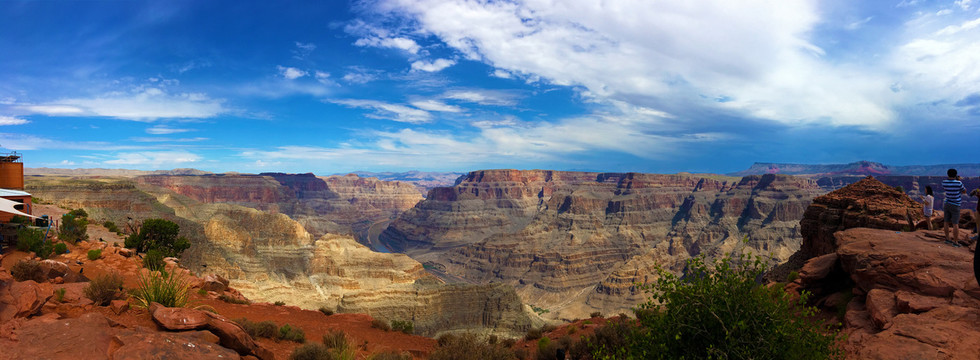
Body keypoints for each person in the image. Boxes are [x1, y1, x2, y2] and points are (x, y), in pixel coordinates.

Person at [942, 169, 967, 243]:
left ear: (948, 174)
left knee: (946, 222)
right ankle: (956, 242)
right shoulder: (959, 183)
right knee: (955, 223)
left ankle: (947, 239)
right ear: (956, 175)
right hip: (955, 204)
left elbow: (946, 188)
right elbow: (964, 191)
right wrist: (958, 180)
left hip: (947, 204)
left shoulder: (944, 182)